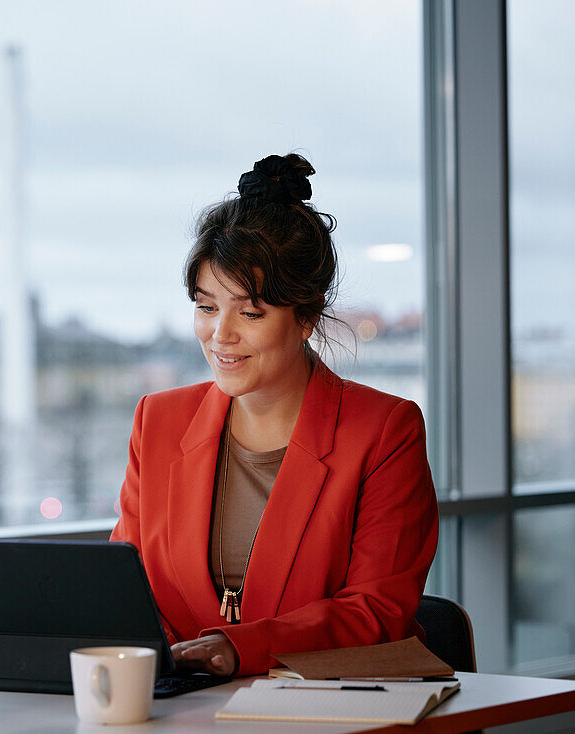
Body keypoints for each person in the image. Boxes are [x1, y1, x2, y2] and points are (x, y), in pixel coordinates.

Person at [110, 153, 438, 678]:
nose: (221, 335)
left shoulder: (384, 431)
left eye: (250, 313)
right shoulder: (158, 420)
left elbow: (377, 611)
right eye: (207, 306)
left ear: (306, 316)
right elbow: (124, 595)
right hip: (186, 712)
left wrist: (239, 647)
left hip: (329, 712)